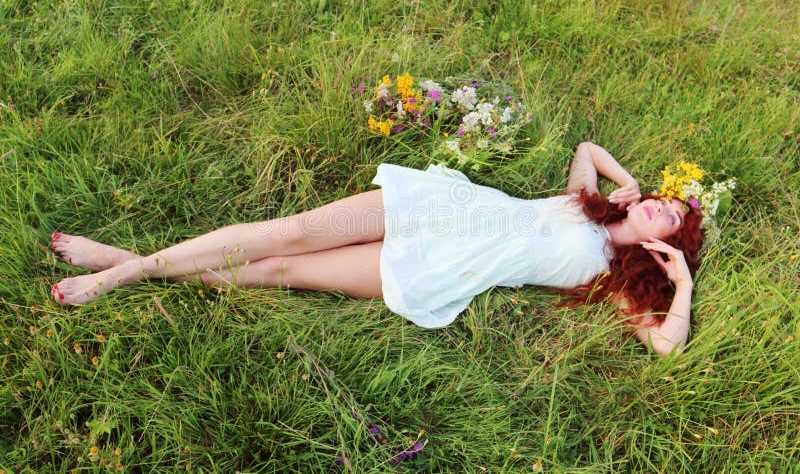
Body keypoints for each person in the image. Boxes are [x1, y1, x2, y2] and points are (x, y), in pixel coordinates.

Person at [49, 142, 703, 355]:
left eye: (669, 219)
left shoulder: (617, 277)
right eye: (662, 200)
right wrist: (628, 182)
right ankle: (125, 269)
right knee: (286, 233)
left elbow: (666, 344)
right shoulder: (585, 200)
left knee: (279, 270)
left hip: (442, 264)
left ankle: (122, 265)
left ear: (663, 246)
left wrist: (684, 290)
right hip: (441, 208)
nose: (657, 208)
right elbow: (587, 150)